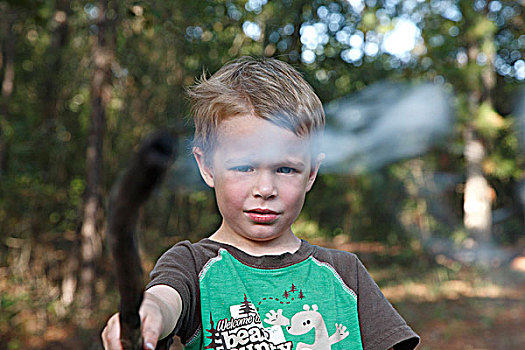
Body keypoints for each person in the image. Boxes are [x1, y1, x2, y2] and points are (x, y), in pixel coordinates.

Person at [102, 56, 420, 350]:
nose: (265, 188)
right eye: (244, 167)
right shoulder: (193, 266)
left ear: (311, 173)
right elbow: (165, 300)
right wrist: (148, 314)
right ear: (207, 167)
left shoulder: (346, 275)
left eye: (286, 169)